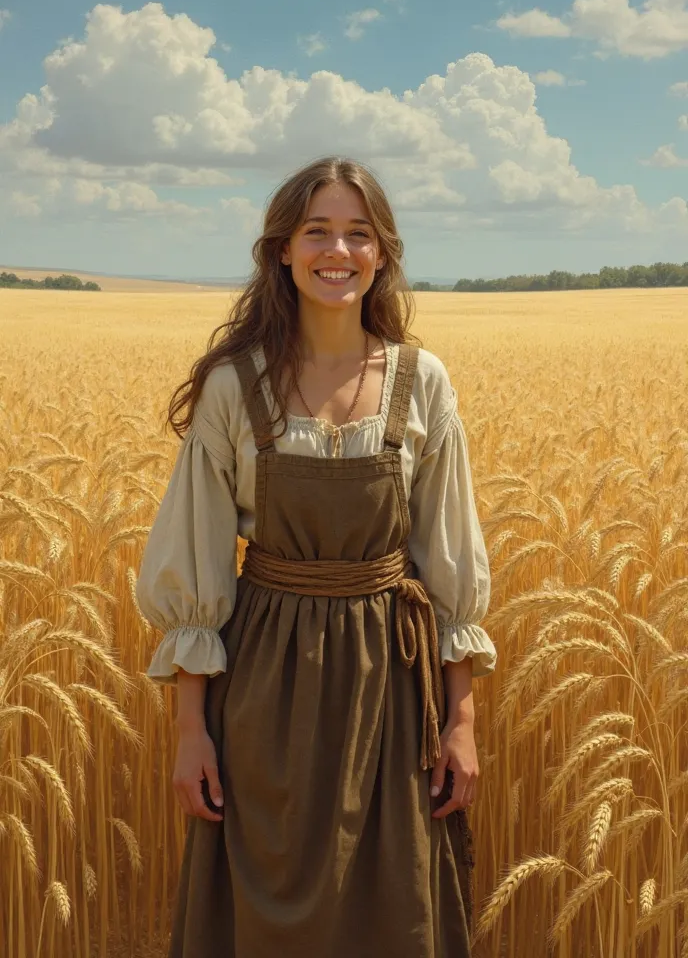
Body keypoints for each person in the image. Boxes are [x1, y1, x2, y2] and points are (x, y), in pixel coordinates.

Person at [135, 155, 497, 958]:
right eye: (318, 232)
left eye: (358, 235)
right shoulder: (236, 387)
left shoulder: (421, 380)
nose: (339, 251)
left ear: (383, 254)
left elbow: (448, 562)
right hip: (265, 683)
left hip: (393, 691)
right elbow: (196, 564)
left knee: (391, 901)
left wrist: (461, 720)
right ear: (283, 251)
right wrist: (191, 732)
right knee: (265, 899)